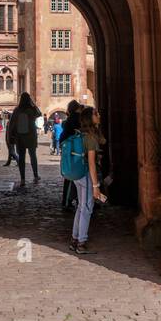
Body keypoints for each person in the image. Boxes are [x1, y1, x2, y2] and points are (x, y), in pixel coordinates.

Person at [67, 105, 106, 255]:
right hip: (86, 176)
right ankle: (81, 243)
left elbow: (102, 140)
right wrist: (96, 185)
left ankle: (74, 239)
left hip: (78, 176)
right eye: (97, 114)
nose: (99, 116)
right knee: (87, 208)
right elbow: (91, 163)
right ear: (91, 118)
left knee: (81, 207)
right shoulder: (90, 138)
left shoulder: (82, 134)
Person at [7, 92, 41, 188]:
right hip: (31, 136)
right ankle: (35, 175)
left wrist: (11, 136)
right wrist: (32, 103)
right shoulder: (32, 110)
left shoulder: (17, 110)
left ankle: (23, 179)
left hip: (20, 136)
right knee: (33, 156)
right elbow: (39, 113)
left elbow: (12, 124)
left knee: (22, 158)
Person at [59, 100, 81, 210]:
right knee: (75, 177)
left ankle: (68, 200)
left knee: (70, 177)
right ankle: (69, 200)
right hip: (76, 151)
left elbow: (62, 138)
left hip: (69, 151)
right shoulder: (78, 119)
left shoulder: (69, 120)